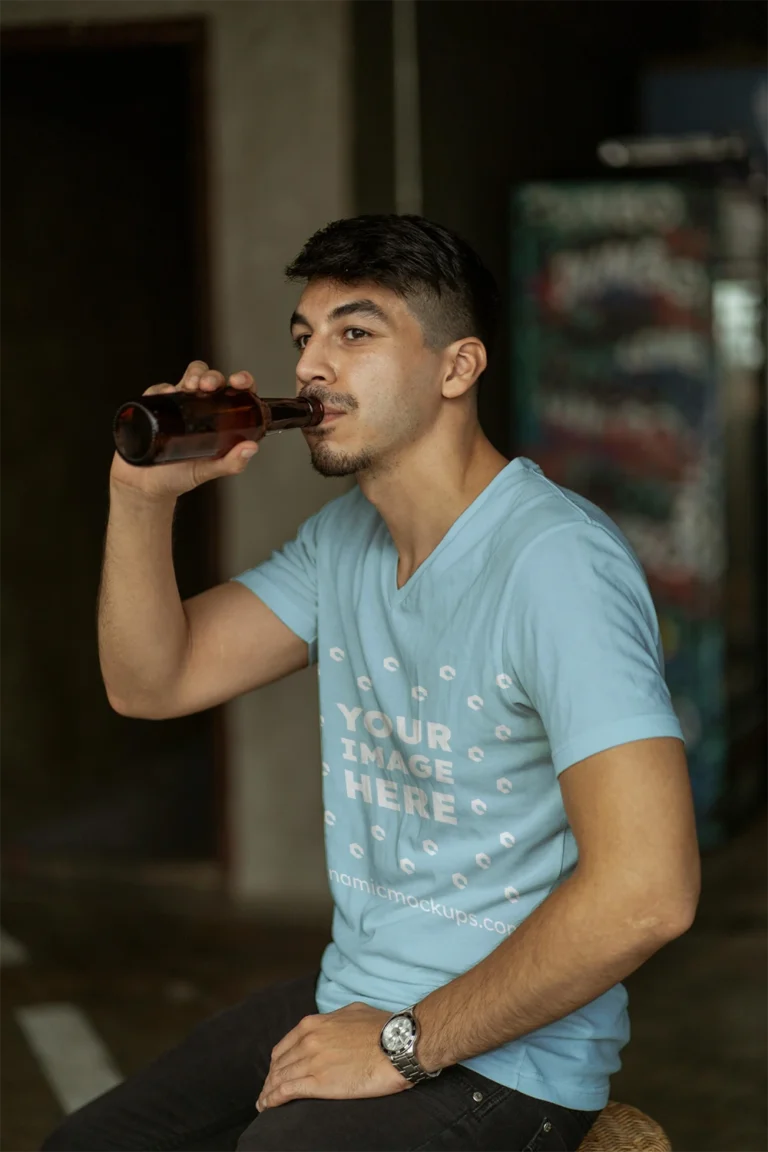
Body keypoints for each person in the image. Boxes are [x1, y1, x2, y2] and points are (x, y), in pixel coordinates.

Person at [47, 215, 700, 1152]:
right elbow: (153, 682)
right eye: (304, 337)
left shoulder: (556, 567)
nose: (313, 366)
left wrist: (403, 1046)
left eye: (355, 333)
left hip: (506, 1062)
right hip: (353, 993)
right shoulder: (342, 544)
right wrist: (140, 499)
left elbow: (649, 891)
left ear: (457, 367)